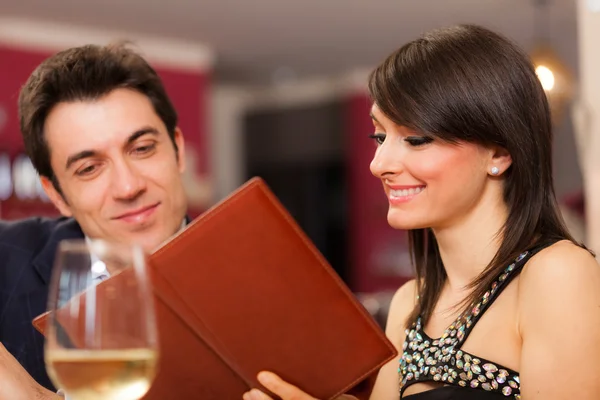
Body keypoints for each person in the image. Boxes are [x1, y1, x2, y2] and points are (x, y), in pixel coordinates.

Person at [242, 24, 600, 400]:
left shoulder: (557, 273)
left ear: (498, 153)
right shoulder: (410, 302)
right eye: (380, 137)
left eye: (415, 139)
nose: (379, 164)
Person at [0, 43, 189, 399]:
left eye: (143, 148)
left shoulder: (269, 273)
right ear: (56, 194)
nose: (128, 186)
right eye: (89, 168)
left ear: (177, 149)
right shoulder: (5, 261)